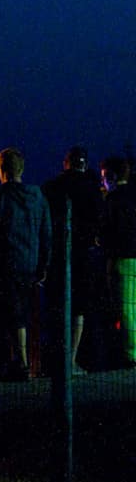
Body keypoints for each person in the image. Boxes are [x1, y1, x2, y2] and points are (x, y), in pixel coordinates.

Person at [0, 148, 52, 380]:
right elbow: (47, 233)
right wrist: (43, 264)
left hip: (3, 264)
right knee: (22, 313)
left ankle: (12, 364)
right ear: (22, 168)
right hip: (30, 262)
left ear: (1, 169)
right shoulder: (37, 197)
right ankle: (24, 362)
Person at [42, 147, 104, 373]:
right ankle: (71, 360)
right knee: (79, 308)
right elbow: (99, 220)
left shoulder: (52, 187)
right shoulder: (91, 189)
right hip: (83, 254)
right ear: (85, 164)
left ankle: (54, 360)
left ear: (65, 163)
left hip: (56, 255)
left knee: (57, 307)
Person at [102, 156, 136, 369]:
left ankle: (129, 354)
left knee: (124, 308)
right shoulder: (133, 197)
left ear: (111, 176)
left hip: (120, 258)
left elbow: (105, 231)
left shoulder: (112, 201)